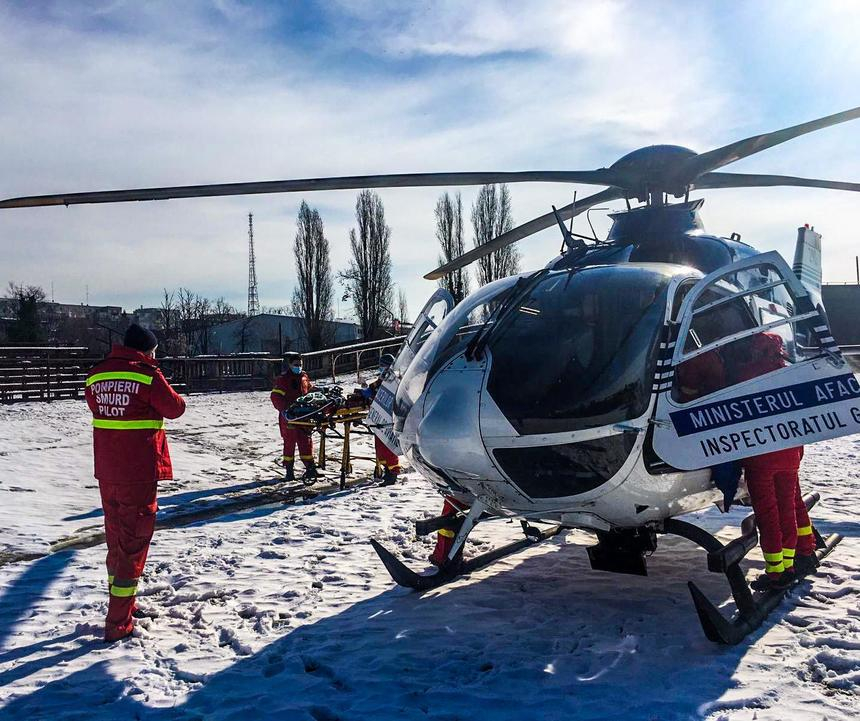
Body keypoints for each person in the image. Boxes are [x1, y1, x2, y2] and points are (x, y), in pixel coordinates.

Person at [84, 323, 186, 642]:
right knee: (134, 543)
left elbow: (96, 406)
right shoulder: (147, 374)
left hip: (108, 471)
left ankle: (125, 605)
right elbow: (176, 408)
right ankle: (118, 623)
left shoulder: (96, 374)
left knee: (116, 540)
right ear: (146, 350)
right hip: (137, 472)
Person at [731, 332, 816, 590]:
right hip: (790, 456)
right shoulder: (791, 374)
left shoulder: (746, 375)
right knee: (788, 509)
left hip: (761, 459)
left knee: (768, 514)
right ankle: (791, 562)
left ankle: (777, 573)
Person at [270, 351, 317, 482]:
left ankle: (310, 468)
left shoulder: (304, 376)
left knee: (306, 442)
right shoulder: (283, 379)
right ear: (290, 364)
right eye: (296, 364)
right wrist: (285, 409)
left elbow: (309, 389)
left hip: (303, 415)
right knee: (289, 443)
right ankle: (289, 471)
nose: (298, 366)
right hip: (289, 417)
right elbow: (275, 397)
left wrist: (318, 391)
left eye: (300, 364)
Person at [363, 353, 401, 486]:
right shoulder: (381, 380)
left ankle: (393, 473)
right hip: (379, 419)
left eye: (383, 366)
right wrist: (364, 391)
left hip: (389, 419)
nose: (382, 369)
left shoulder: (395, 380)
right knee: (380, 448)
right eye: (381, 366)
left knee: (389, 446)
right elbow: (371, 389)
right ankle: (387, 470)